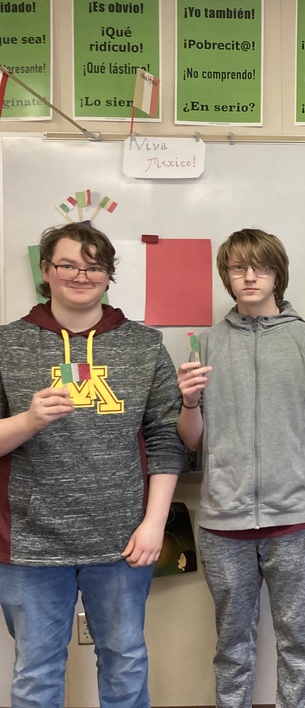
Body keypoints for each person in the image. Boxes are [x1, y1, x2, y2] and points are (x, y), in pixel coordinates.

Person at [0, 222, 184, 707]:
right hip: (29, 544)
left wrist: (154, 524)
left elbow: (166, 440)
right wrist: (28, 420)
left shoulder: (144, 344)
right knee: (36, 674)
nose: (81, 275)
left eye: (94, 266)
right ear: (45, 270)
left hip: (123, 541)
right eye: (67, 264)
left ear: (109, 274)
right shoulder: (6, 343)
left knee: (125, 663)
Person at [176, 228, 305, 708]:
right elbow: (193, 439)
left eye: (260, 266)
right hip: (222, 524)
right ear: (226, 276)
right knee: (231, 649)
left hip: (293, 520)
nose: (249, 276)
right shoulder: (205, 345)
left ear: (277, 274)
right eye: (237, 268)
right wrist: (189, 402)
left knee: (299, 645)